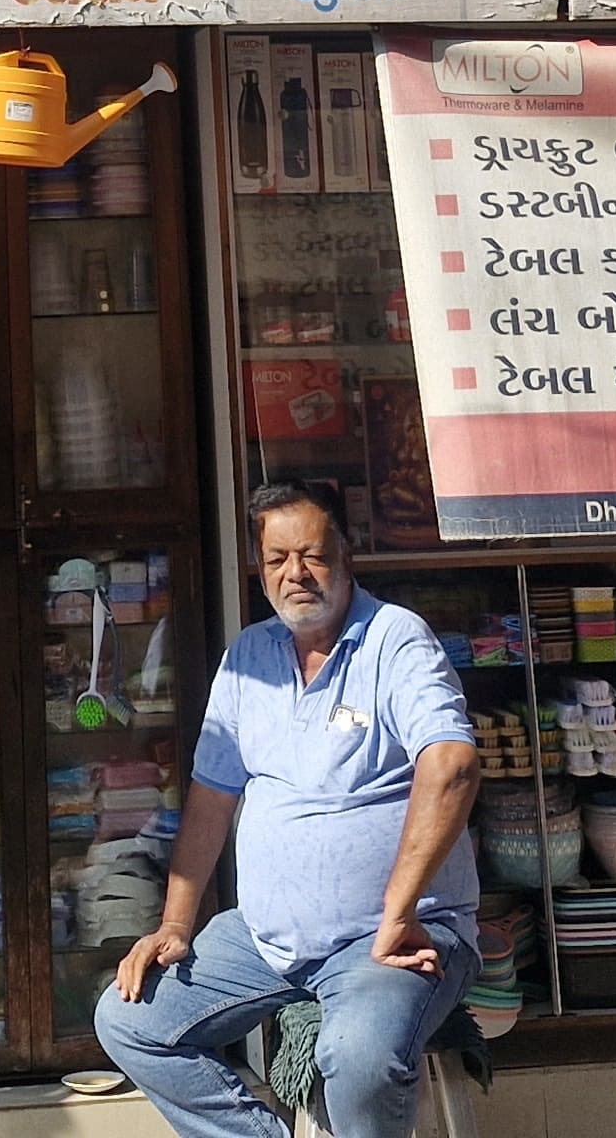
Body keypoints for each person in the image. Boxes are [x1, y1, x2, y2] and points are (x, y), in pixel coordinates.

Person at [95, 482, 481, 1138]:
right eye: (276, 559)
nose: (294, 574)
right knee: (130, 1021)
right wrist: (174, 925)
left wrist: (397, 913)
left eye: (311, 555)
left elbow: (452, 766)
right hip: (265, 937)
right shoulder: (248, 657)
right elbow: (212, 798)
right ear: (259, 567)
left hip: (390, 939)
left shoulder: (395, 640)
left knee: (356, 1058)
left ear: (346, 555)